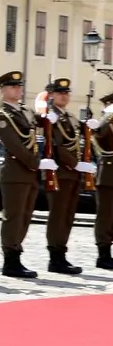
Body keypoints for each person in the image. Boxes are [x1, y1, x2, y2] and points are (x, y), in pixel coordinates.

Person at [36, 78, 89, 274]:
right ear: (51, 95)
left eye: (66, 92)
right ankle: (55, 257)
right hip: (59, 173)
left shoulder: (70, 117)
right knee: (58, 216)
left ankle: (62, 253)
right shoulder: (50, 117)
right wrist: (77, 165)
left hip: (73, 174)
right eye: (60, 93)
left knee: (67, 216)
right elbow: (57, 145)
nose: (64, 96)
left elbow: (82, 135)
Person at [0, 71, 42, 278]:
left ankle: (17, 252)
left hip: (28, 173)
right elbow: (14, 145)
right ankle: (10, 259)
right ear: (3, 90)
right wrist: (36, 163)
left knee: (25, 216)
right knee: (13, 217)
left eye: (19, 86)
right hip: (14, 172)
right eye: (13, 87)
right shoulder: (3, 115)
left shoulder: (25, 111)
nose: (17, 90)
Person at [89, 91, 113, 271]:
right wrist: (108, 115)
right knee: (105, 217)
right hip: (108, 176)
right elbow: (99, 133)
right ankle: (103, 255)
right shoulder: (104, 123)